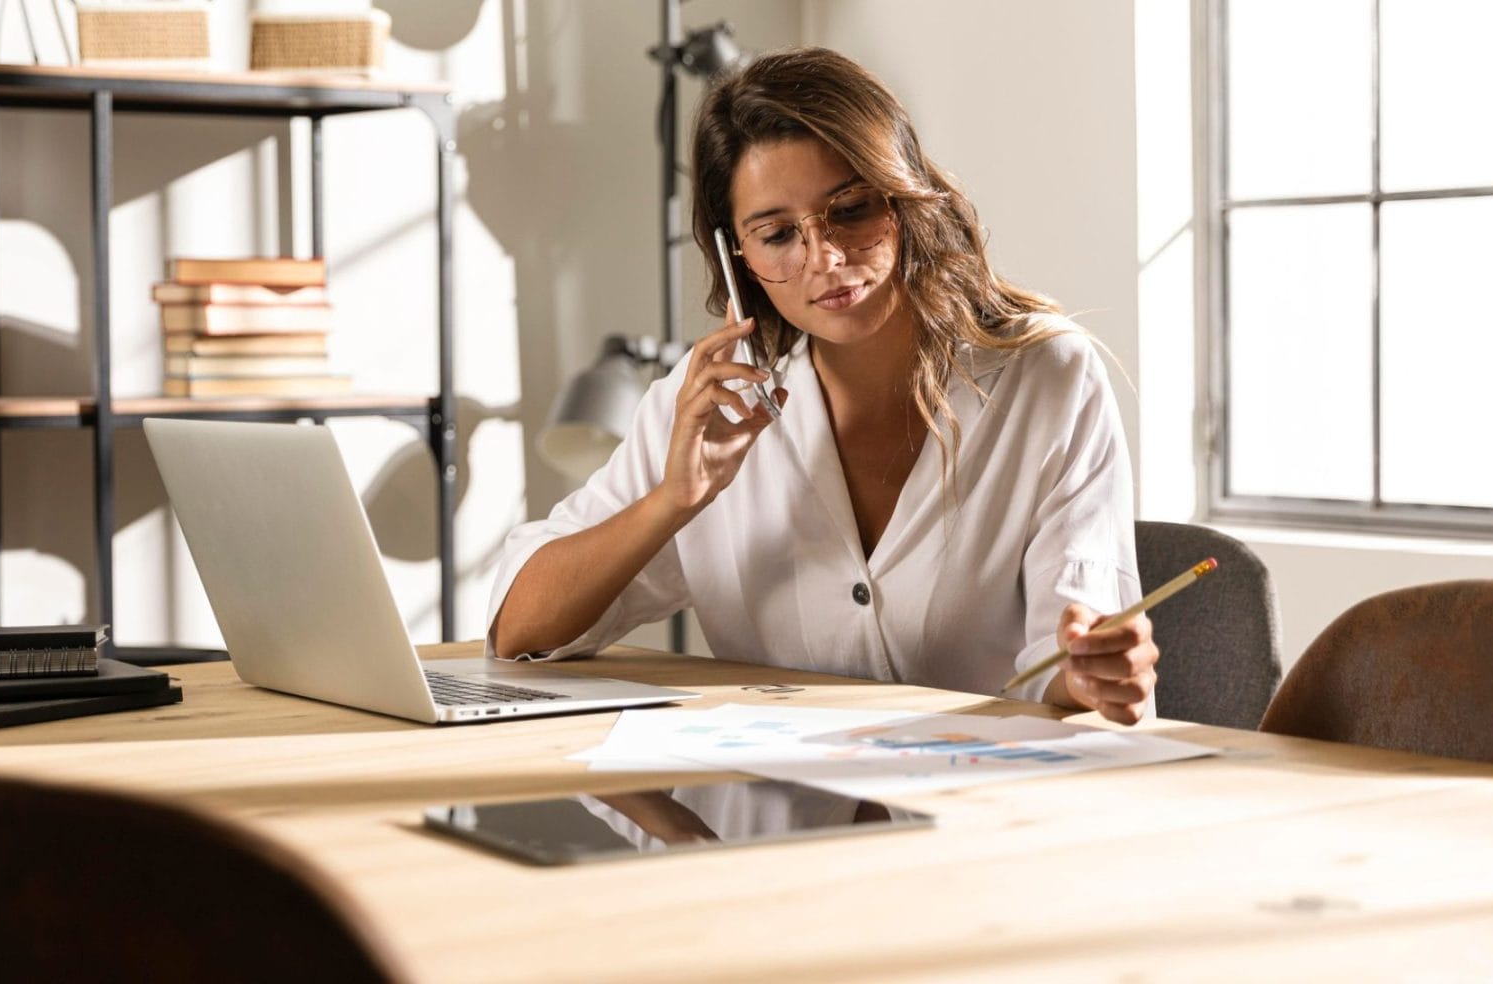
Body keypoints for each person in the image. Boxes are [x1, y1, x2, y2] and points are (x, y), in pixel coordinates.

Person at [488, 47, 1157, 724]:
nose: (826, 257)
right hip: (771, 788)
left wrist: (1094, 673)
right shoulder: (710, 404)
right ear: (737, 256)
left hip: (988, 782)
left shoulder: (1045, 378)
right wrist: (674, 501)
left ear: (903, 197)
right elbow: (517, 631)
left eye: (853, 209)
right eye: (778, 234)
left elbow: (1073, 655)